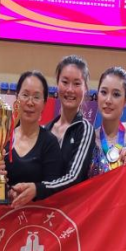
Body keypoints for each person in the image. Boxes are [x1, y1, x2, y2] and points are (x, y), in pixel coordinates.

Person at [5, 71, 62, 207]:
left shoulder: (50, 143)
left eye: (36, 97)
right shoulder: (3, 137)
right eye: (25, 95)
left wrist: (35, 191)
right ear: (17, 98)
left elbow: (53, 188)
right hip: (3, 215)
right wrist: (7, 191)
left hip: (37, 217)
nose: (30, 102)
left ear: (44, 103)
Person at [40, 55, 93, 194]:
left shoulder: (84, 129)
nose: (70, 89)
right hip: (41, 205)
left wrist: (37, 189)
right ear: (57, 84)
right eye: (65, 82)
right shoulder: (45, 129)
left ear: (85, 88)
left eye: (76, 83)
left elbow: (74, 177)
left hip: (70, 206)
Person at [90, 67, 126, 176]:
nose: (108, 100)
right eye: (104, 92)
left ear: (125, 101)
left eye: (116, 94)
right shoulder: (88, 141)